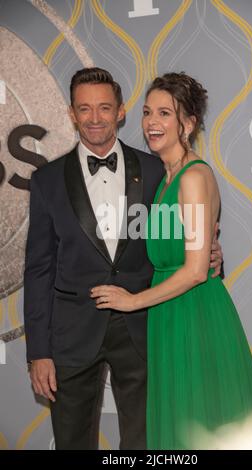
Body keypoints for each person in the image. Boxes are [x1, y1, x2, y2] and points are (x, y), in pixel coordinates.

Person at [24, 68, 222, 450]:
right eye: (85, 108)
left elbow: (182, 230)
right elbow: (38, 269)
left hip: (145, 328)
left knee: (144, 442)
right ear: (70, 113)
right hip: (71, 333)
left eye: (104, 107)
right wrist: (39, 352)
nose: (95, 118)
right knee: (72, 441)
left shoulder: (156, 171)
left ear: (121, 111)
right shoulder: (46, 180)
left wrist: (211, 252)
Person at [92, 72, 252, 450]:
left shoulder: (192, 177)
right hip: (169, 316)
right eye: (148, 112)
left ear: (188, 123)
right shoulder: (164, 179)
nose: (152, 123)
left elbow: (194, 269)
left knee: (198, 423)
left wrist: (132, 301)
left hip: (194, 315)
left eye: (165, 114)